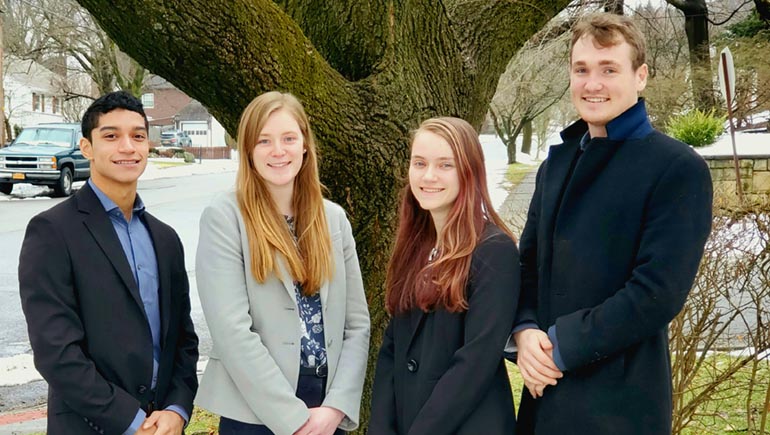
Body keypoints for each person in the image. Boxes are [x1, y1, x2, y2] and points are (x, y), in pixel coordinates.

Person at [510, 13, 713, 435]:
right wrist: (525, 332)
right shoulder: (555, 166)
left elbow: (655, 293)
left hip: (620, 407)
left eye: (608, 70)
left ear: (640, 76)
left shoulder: (677, 168)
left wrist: (561, 346)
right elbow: (527, 266)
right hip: (543, 403)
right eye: (581, 69)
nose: (592, 84)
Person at [18, 91, 199, 435]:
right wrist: (131, 422)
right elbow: (56, 351)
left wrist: (177, 409)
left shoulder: (165, 239)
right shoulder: (52, 231)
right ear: (87, 147)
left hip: (164, 424)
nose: (128, 147)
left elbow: (183, 340)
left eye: (138, 136)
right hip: (91, 425)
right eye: (111, 136)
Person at [194, 91, 370, 435]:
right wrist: (292, 419)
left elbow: (357, 325)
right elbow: (232, 330)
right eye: (264, 140)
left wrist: (336, 407)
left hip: (326, 409)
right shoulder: (225, 217)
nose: (278, 151)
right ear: (248, 150)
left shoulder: (333, 219)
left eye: (289, 138)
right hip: (255, 411)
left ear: (304, 145)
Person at [369, 117, 519, 435]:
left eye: (445, 165)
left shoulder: (493, 251)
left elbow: (476, 362)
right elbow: (392, 348)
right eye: (419, 163)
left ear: (469, 172)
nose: (428, 176)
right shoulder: (415, 248)